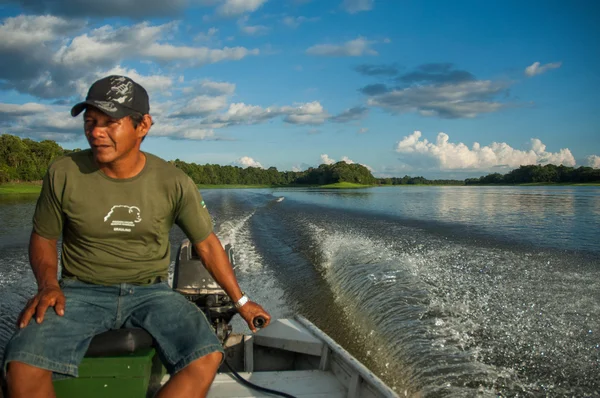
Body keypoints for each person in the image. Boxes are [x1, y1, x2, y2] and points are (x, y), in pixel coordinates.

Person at [2, 75, 271, 398]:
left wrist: (242, 302)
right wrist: (48, 285)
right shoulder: (64, 173)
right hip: (79, 291)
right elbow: (43, 237)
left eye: (109, 123)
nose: (96, 132)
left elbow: (207, 244)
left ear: (143, 126)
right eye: (90, 122)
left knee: (207, 355)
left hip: (151, 293)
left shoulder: (173, 181)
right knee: (22, 362)